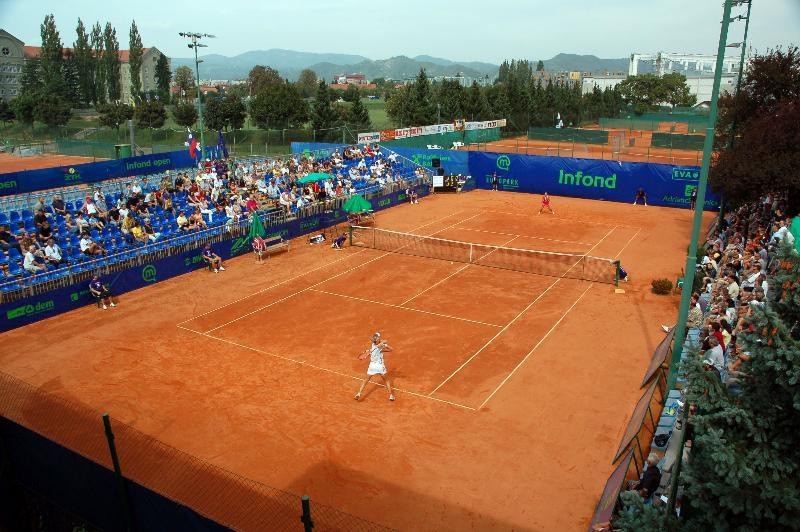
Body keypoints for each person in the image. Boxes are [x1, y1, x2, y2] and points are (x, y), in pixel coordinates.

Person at [354, 332, 396, 402]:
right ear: (378, 338)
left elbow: (375, 341)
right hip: (380, 366)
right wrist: (384, 344)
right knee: (386, 380)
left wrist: (381, 346)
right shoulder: (380, 345)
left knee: (365, 380)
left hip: (372, 366)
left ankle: (358, 393)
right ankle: (391, 396)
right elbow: (391, 349)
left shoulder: (373, 344)